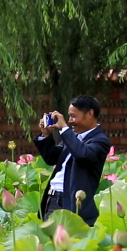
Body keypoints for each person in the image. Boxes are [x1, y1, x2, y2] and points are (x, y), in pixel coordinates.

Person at [34, 95, 111, 226]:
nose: (70, 121)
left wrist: (64, 129)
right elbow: (52, 158)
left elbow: (82, 155)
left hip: (71, 203)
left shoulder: (100, 141)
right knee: (49, 239)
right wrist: (46, 134)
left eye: (73, 116)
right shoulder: (73, 137)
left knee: (67, 238)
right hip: (51, 199)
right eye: (69, 117)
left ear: (90, 114)